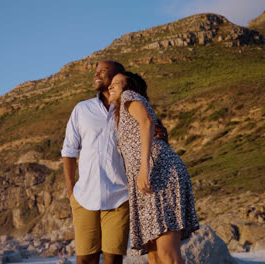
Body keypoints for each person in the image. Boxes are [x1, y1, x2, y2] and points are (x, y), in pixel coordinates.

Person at [61, 61, 168, 264]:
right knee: (85, 259)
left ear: (118, 76)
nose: (97, 74)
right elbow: (69, 150)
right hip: (84, 196)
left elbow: (151, 129)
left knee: (113, 260)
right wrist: (70, 191)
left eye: (103, 70)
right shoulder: (82, 109)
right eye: (96, 71)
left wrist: (161, 134)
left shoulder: (130, 107)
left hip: (119, 196)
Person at [108, 72, 199, 264]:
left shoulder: (129, 96)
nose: (111, 86)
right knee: (154, 255)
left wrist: (144, 168)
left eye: (117, 83)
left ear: (130, 86)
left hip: (159, 174)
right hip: (150, 178)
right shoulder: (122, 112)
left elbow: (147, 122)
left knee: (167, 253)